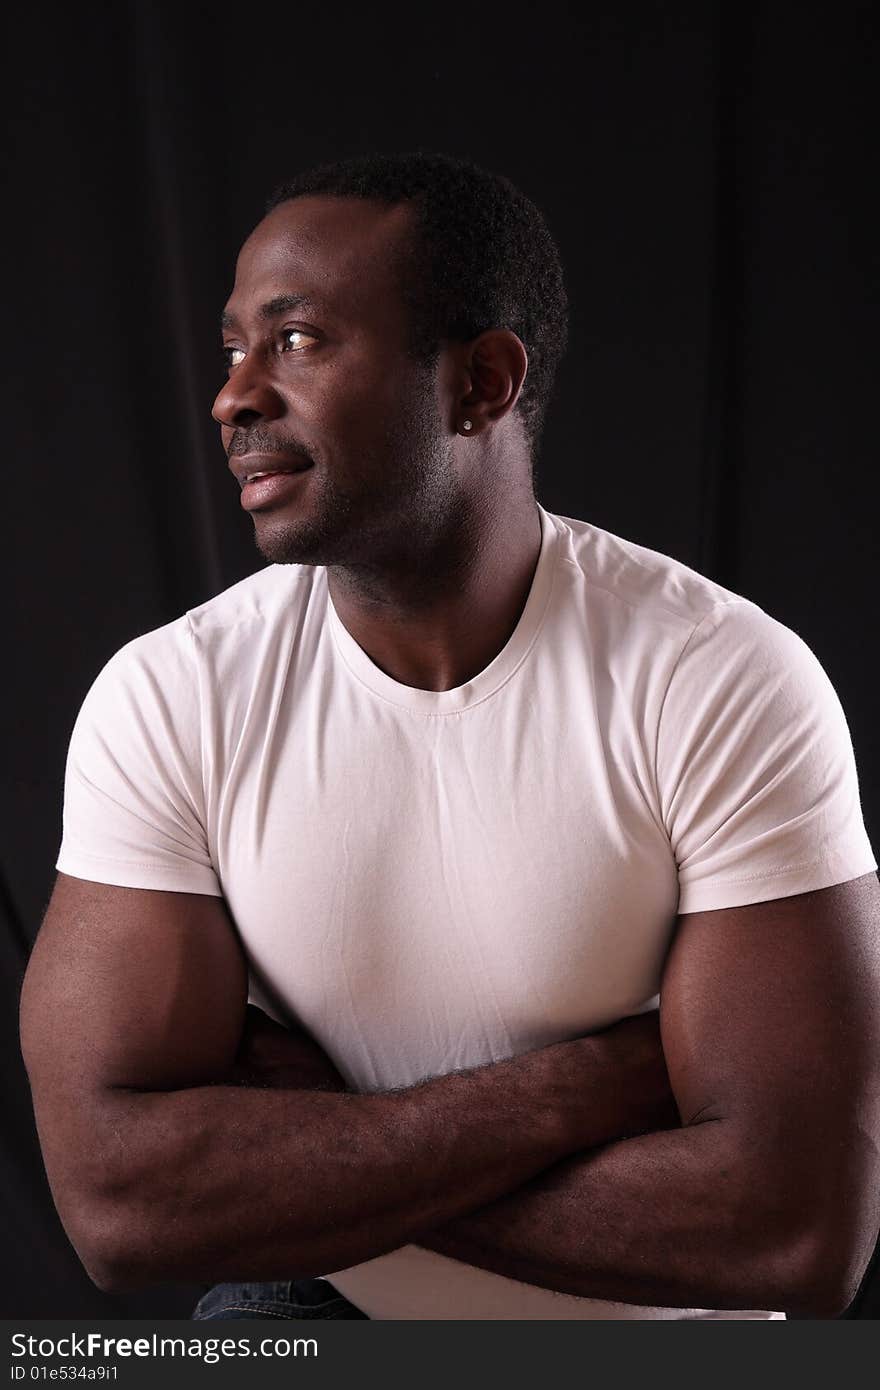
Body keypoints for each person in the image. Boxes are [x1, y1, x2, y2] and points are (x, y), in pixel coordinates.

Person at [20, 152, 880, 1322]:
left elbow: (793, 1226)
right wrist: (584, 1088)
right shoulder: (172, 696)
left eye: (300, 340)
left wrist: (322, 1141)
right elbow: (121, 1207)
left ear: (478, 384)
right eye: (235, 348)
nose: (233, 396)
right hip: (326, 1316)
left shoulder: (719, 680)